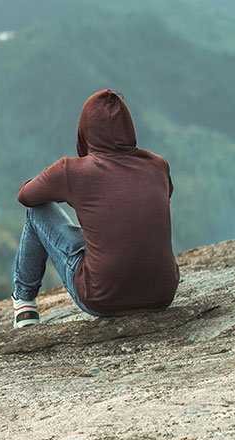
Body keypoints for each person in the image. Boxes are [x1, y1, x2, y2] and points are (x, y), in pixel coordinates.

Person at [11, 89, 180, 328]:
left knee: (37, 212)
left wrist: (60, 182)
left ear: (85, 130)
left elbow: (26, 196)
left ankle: (24, 303)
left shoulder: (72, 171)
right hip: (162, 295)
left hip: (102, 298)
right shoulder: (158, 166)